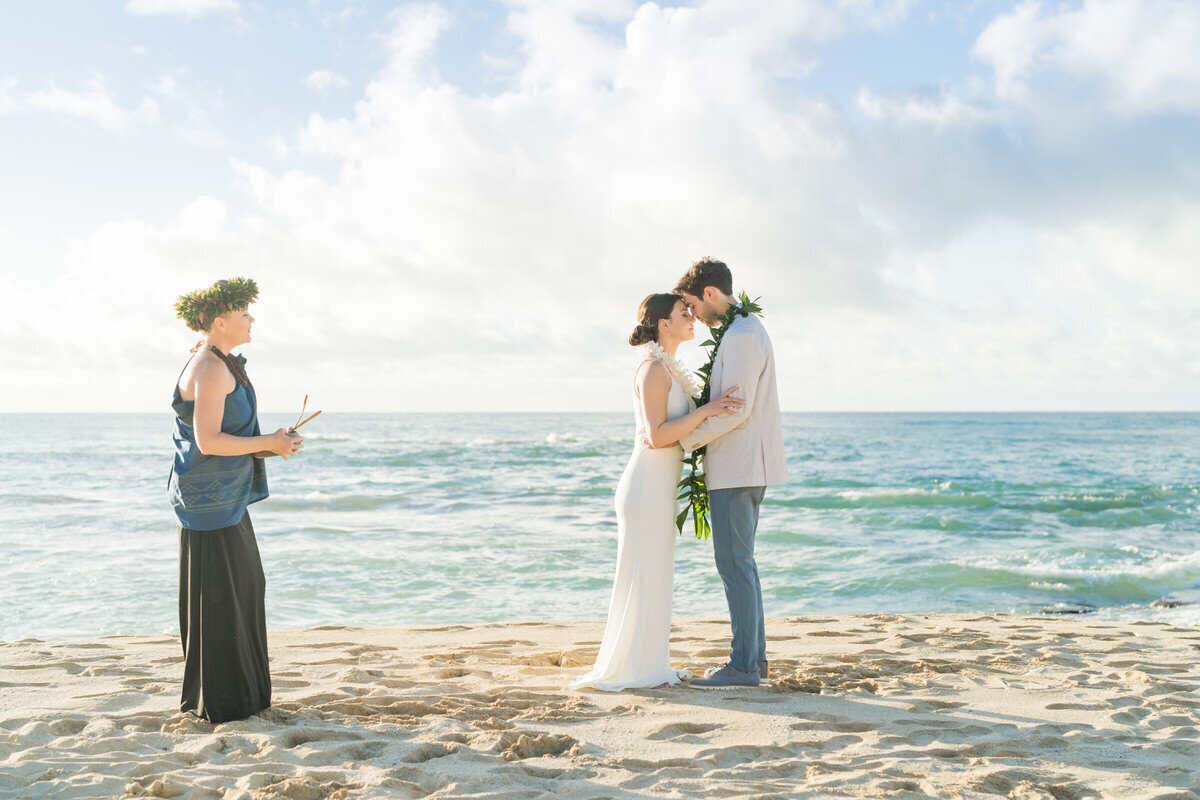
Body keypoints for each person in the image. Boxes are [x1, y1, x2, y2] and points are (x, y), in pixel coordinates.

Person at [572, 292, 744, 691]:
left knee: (655, 576)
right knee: (643, 574)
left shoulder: (666, 367)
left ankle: (648, 664)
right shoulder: (652, 369)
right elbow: (658, 435)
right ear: (663, 324)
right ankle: (634, 669)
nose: (692, 318)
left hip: (659, 488)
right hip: (646, 487)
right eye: (684, 313)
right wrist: (709, 409)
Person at [169, 277, 302, 723]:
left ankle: (239, 697)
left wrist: (273, 443)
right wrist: (267, 440)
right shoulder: (208, 367)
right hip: (210, 502)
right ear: (221, 322)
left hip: (226, 497)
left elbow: (231, 436)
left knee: (241, 589)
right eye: (245, 314)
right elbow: (208, 441)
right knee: (221, 596)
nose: (252, 319)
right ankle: (224, 703)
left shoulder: (222, 362)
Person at [674, 258, 788, 690]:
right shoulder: (744, 330)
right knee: (744, 564)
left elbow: (733, 411)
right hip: (745, 465)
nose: (694, 316)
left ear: (709, 293)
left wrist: (685, 440)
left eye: (692, 305)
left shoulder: (740, 337)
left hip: (738, 466)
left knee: (734, 565)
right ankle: (754, 661)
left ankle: (741, 667)